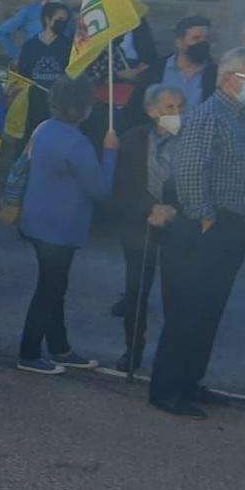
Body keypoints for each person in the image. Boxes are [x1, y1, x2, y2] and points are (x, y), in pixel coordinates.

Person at [147, 46, 245, 418]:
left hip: (231, 227)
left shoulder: (237, 118)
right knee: (188, 313)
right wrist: (203, 216)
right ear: (230, 79)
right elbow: (190, 171)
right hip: (206, 228)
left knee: (209, 311)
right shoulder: (208, 117)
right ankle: (166, 389)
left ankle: (189, 381)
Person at [14, 78, 118, 373]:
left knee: (54, 287)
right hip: (61, 226)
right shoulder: (77, 143)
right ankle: (29, 352)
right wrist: (110, 152)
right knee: (50, 289)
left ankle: (59, 347)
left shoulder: (44, 128)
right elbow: (100, 189)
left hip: (37, 219)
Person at [110, 85, 183, 373]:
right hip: (140, 228)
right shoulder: (131, 140)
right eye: (169, 108)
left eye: (180, 107)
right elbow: (123, 185)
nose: (177, 114)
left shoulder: (191, 140)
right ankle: (132, 348)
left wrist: (173, 209)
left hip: (177, 226)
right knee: (137, 291)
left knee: (175, 294)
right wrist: (150, 208)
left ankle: (172, 356)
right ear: (152, 111)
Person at [15, 3, 73, 135]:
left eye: (65, 20)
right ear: (47, 19)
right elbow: (22, 75)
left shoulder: (68, 47)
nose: (62, 23)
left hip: (58, 105)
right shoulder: (30, 46)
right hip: (34, 104)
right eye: (59, 19)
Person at [0, 0, 68, 59]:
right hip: (33, 62)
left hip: (61, 63)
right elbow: (2, 32)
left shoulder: (67, 13)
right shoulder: (30, 12)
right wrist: (17, 56)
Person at [158, 17, 217, 113]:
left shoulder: (216, 74)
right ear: (179, 42)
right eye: (196, 38)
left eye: (207, 39)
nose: (202, 43)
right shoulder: (156, 71)